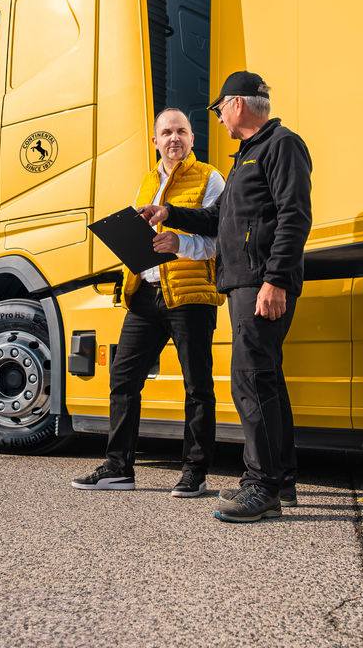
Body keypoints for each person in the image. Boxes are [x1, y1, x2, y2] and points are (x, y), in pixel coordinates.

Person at [139, 71, 312, 523]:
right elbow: (219, 220)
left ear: (236, 105)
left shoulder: (281, 145)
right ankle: (283, 480)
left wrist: (274, 280)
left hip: (261, 283)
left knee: (250, 380)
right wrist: (169, 212)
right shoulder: (246, 157)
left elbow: (295, 216)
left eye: (218, 111)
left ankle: (261, 486)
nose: (218, 119)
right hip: (244, 282)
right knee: (266, 379)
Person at [71, 108, 226, 497]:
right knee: (123, 379)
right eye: (167, 132)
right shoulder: (145, 183)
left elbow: (219, 237)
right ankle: (118, 468)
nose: (175, 138)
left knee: (197, 387)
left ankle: (195, 471)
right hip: (146, 292)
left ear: (192, 139)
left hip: (190, 295)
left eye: (182, 131)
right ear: (155, 141)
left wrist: (180, 243)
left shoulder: (210, 177)